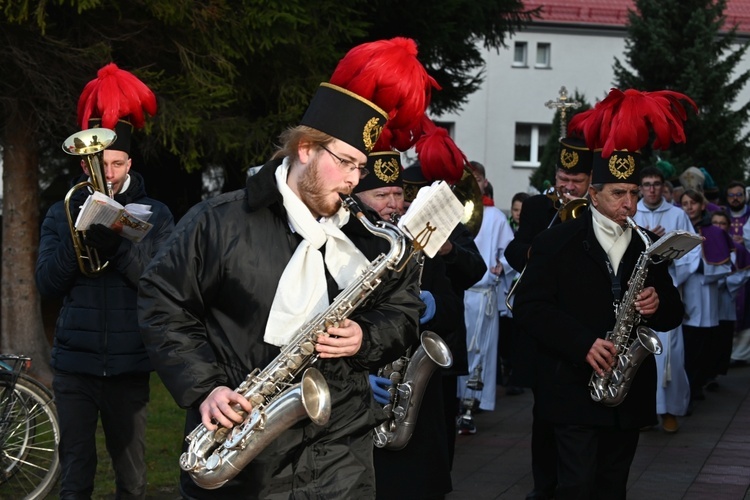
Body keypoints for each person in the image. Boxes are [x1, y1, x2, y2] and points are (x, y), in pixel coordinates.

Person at [138, 38, 435, 499]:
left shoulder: (365, 233)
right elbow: (163, 305)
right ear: (305, 149)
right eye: (346, 163)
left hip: (344, 454)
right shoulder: (220, 221)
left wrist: (367, 335)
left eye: (360, 167)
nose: (355, 180)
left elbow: (403, 310)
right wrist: (205, 389)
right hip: (248, 454)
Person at [513, 87, 693, 499]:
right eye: (618, 193)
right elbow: (530, 306)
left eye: (633, 193)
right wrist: (581, 344)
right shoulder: (556, 242)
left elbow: (672, 314)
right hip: (571, 387)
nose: (629, 204)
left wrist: (658, 303)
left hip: (626, 395)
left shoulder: (648, 243)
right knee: (574, 485)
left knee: (613, 486)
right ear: (593, 194)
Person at [35, 64, 174, 499]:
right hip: (74, 365)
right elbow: (46, 284)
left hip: (129, 364)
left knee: (131, 479)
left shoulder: (157, 213)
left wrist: (117, 247)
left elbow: (160, 282)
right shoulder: (63, 210)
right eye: (99, 164)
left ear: (129, 162)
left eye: (115, 163)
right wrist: (77, 240)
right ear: (85, 163)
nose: (107, 174)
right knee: (75, 475)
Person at [356, 150, 462, 499]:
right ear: (357, 197)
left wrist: (434, 305)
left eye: (398, 194)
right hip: (360, 391)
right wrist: (355, 378)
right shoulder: (343, 244)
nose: (393, 205)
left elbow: (450, 308)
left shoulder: (418, 242)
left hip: (414, 396)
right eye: (381, 195)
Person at [504, 135, 593, 500]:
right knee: (544, 413)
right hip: (544, 321)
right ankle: (545, 486)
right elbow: (515, 248)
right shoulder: (540, 206)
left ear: (590, 182)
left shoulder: (597, 209)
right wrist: (539, 252)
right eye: (562, 176)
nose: (567, 186)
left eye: (577, 181)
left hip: (583, 319)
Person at [402, 162, 485, 466]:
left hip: (440, 348)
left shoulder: (452, 228)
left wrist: (449, 249)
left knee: (439, 435)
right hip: (400, 347)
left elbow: (476, 270)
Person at [633, 166, 697, 433]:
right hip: (636, 296)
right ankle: (644, 413)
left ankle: (670, 412)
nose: (651, 189)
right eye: (646, 184)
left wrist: (665, 255)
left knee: (673, 358)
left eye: (656, 184)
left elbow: (692, 253)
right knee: (638, 359)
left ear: (663, 186)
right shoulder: (632, 212)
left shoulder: (677, 215)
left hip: (666, 295)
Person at [456, 161, 515, 434]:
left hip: (482, 294)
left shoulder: (495, 217)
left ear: (484, 183)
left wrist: (502, 264)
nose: (474, 183)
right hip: (459, 294)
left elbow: (511, 251)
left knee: (478, 350)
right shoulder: (455, 212)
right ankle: (456, 400)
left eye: (477, 179)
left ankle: (470, 404)